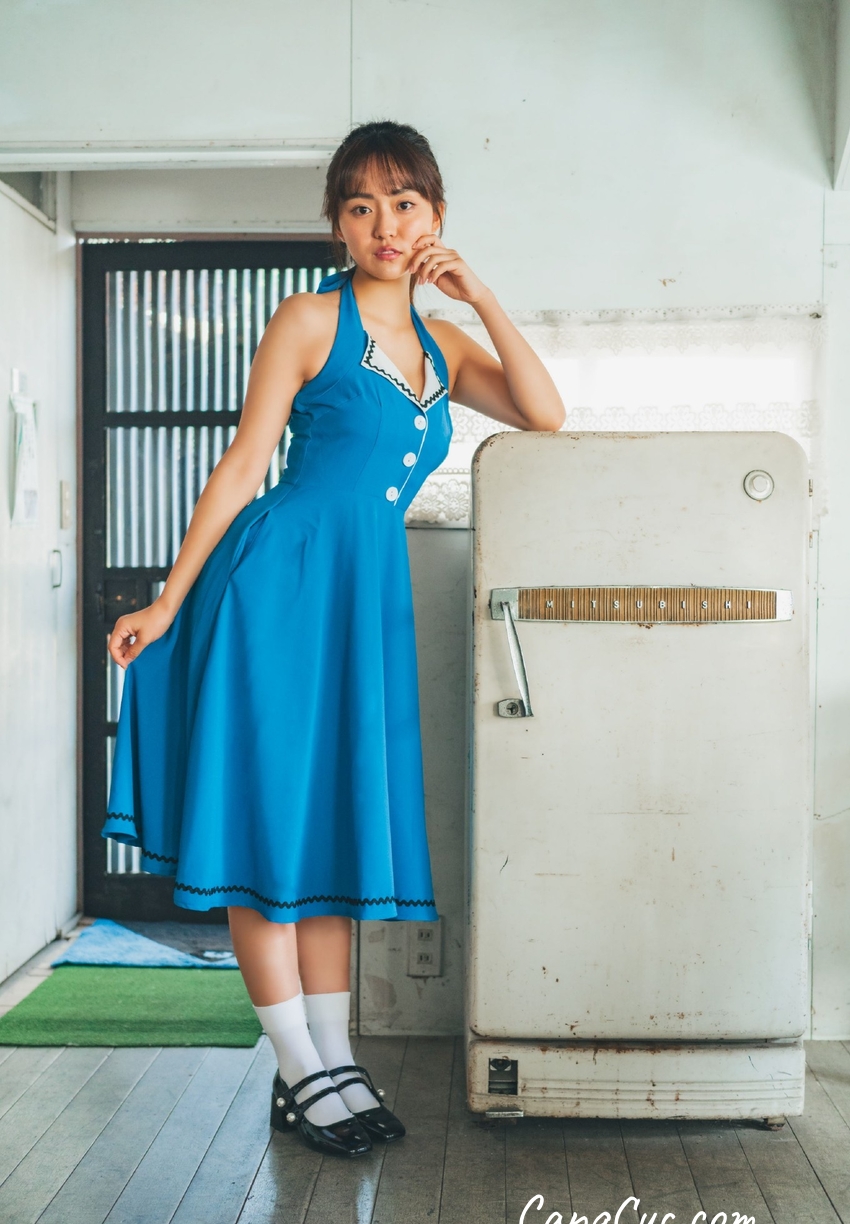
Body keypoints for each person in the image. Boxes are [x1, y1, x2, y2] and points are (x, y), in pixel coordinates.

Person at [102, 120, 565, 1158]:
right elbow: (242, 465)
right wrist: (169, 600)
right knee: (267, 829)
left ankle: (333, 1059)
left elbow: (544, 414)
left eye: (404, 203)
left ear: (435, 216)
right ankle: (300, 1066)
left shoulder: (445, 347)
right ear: (337, 225)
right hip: (277, 588)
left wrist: (480, 298)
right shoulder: (309, 318)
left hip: (361, 606)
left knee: (324, 838)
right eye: (360, 207)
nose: (383, 224)